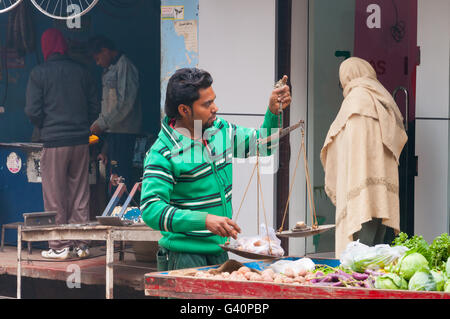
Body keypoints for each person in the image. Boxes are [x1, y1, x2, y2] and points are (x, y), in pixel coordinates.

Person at [140, 68, 291, 271]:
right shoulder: (163, 152)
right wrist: (204, 220)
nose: (215, 108)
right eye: (207, 104)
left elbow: (263, 146)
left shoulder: (219, 130)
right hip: (183, 257)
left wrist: (273, 111)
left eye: (213, 100)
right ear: (184, 110)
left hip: (220, 251)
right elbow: (151, 209)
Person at [320, 57, 408, 257]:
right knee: (375, 249)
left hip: (358, 192)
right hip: (381, 191)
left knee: (358, 256)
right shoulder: (383, 99)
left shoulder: (355, 99)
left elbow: (338, 144)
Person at [25, 28, 100, 259]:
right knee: (79, 192)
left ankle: (59, 246)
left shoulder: (39, 73)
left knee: (55, 194)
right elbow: (95, 107)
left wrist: (45, 126)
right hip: (80, 142)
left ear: (46, 47)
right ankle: (81, 245)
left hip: (55, 141)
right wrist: (80, 125)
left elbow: (32, 110)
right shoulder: (82, 72)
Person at [88, 35, 142, 195]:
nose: (97, 63)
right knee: (114, 177)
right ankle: (117, 211)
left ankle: (126, 214)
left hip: (124, 133)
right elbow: (109, 105)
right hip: (113, 133)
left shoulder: (125, 66)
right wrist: (100, 123)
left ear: (105, 51)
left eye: (98, 58)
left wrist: (102, 124)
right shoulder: (110, 69)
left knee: (122, 178)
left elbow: (126, 103)